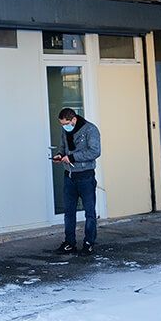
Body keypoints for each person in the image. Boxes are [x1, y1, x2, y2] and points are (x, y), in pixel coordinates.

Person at [52, 108, 101, 256]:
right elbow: (63, 147)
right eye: (62, 124)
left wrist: (72, 158)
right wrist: (60, 155)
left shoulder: (90, 129)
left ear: (73, 119)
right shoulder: (66, 130)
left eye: (66, 123)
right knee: (69, 212)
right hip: (69, 176)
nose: (64, 127)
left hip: (85, 176)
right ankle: (69, 243)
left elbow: (95, 151)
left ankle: (89, 243)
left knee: (90, 213)